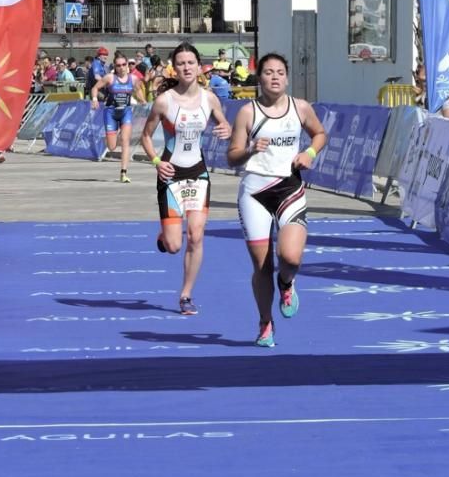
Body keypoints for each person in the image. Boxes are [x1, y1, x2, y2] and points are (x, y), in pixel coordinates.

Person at [227, 53, 327, 348]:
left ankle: (286, 283)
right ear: (260, 78)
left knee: (291, 258)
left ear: (287, 77)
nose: (274, 77)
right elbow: (231, 157)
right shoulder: (248, 112)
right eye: (268, 72)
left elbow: (320, 133)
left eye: (280, 72)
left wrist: (309, 153)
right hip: (255, 193)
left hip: (289, 189)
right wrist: (249, 149)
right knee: (262, 267)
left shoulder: (300, 108)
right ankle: (265, 322)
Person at [140, 43, 232, 315]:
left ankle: (186, 295)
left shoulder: (210, 99)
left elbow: (223, 124)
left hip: (197, 174)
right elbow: (145, 136)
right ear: (174, 68)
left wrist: (225, 129)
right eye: (181, 63)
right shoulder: (164, 101)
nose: (186, 67)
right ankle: (164, 237)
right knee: (173, 245)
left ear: (198, 66)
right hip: (171, 175)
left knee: (195, 235)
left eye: (191, 62)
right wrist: (157, 162)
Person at [90, 53, 143, 183]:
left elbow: (138, 90)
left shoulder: (133, 78)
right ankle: (106, 138)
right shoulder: (110, 78)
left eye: (124, 64)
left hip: (126, 112)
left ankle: (123, 173)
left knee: (125, 141)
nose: (122, 68)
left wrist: (144, 101)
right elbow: (95, 88)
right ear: (115, 66)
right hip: (111, 113)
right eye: (118, 65)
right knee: (112, 147)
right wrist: (95, 99)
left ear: (127, 65)